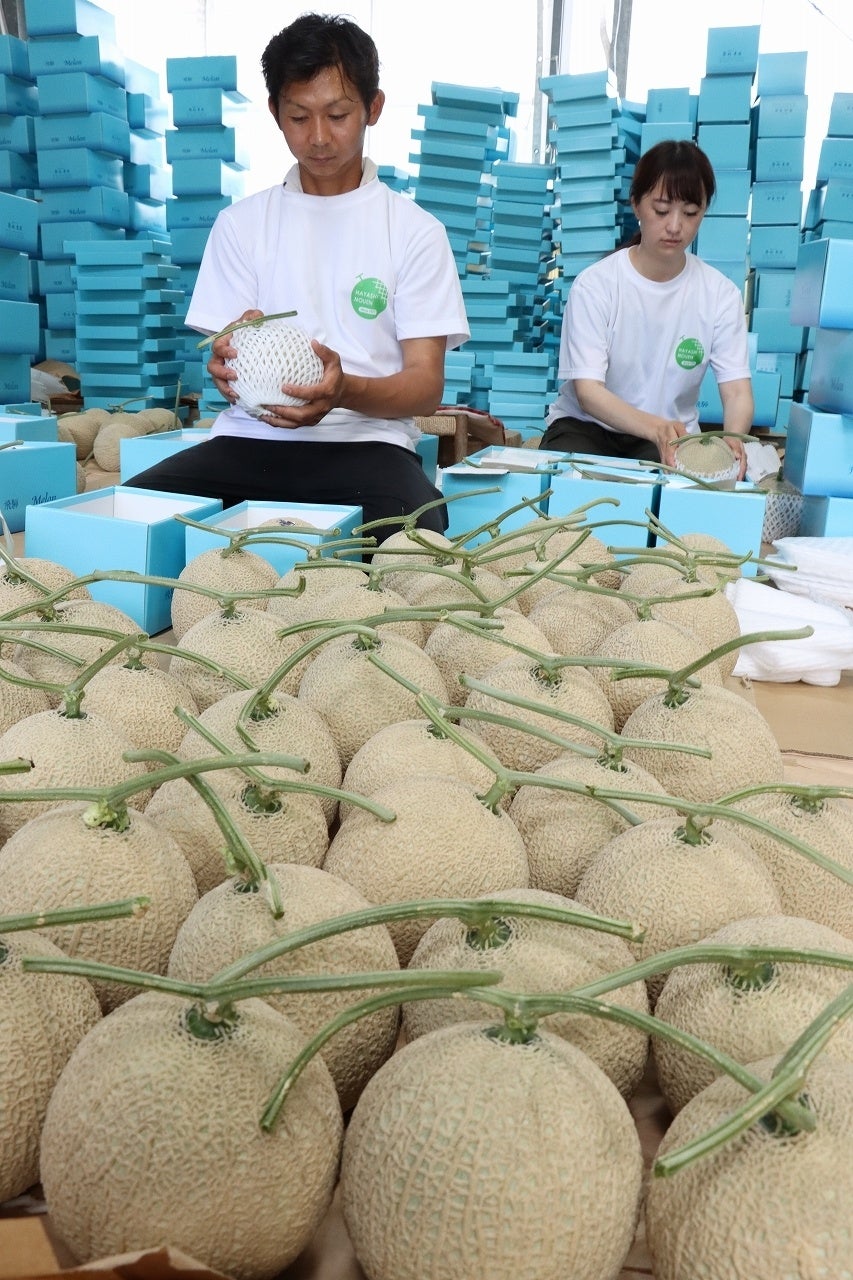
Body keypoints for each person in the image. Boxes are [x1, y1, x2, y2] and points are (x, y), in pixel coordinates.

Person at [125, 12, 469, 540]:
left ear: (373, 108)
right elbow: (225, 367)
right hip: (250, 440)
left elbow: (425, 387)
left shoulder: (414, 231)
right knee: (132, 517)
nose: (319, 138)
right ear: (274, 113)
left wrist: (342, 390)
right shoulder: (242, 225)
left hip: (366, 447)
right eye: (299, 117)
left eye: (338, 114)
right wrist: (225, 365)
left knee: (415, 530)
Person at [540, 140, 753, 475]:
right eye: (662, 210)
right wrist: (654, 427)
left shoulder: (720, 294)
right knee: (573, 486)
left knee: (669, 496)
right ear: (636, 205)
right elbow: (588, 392)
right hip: (586, 427)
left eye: (690, 213)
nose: (674, 226)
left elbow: (738, 390)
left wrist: (734, 438)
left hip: (672, 438)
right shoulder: (596, 286)